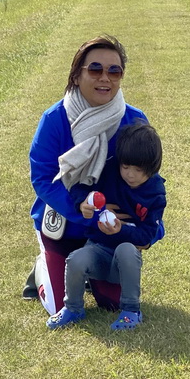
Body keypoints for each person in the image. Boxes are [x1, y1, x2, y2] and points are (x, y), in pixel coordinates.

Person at [25, 35, 153, 316]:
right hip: (65, 225)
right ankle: (41, 268)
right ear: (76, 75)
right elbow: (43, 179)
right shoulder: (54, 118)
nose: (104, 78)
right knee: (58, 306)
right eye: (95, 69)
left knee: (112, 304)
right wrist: (80, 208)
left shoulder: (134, 119)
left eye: (114, 71)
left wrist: (151, 229)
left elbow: (148, 181)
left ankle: (90, 273)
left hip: (107, 234)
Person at [47, 122, 166, 331]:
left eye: (138, 170)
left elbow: (147, 234)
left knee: (126, 249)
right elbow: (79, 187)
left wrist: (121, 229)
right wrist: (82, 202)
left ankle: (131, 310)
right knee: (75, 259)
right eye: (126, 167)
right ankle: (73, 308)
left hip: (125, 257)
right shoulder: (110, 171)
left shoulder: (155, 193)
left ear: (152, 168)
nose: (130, 174)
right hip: (98, 247)